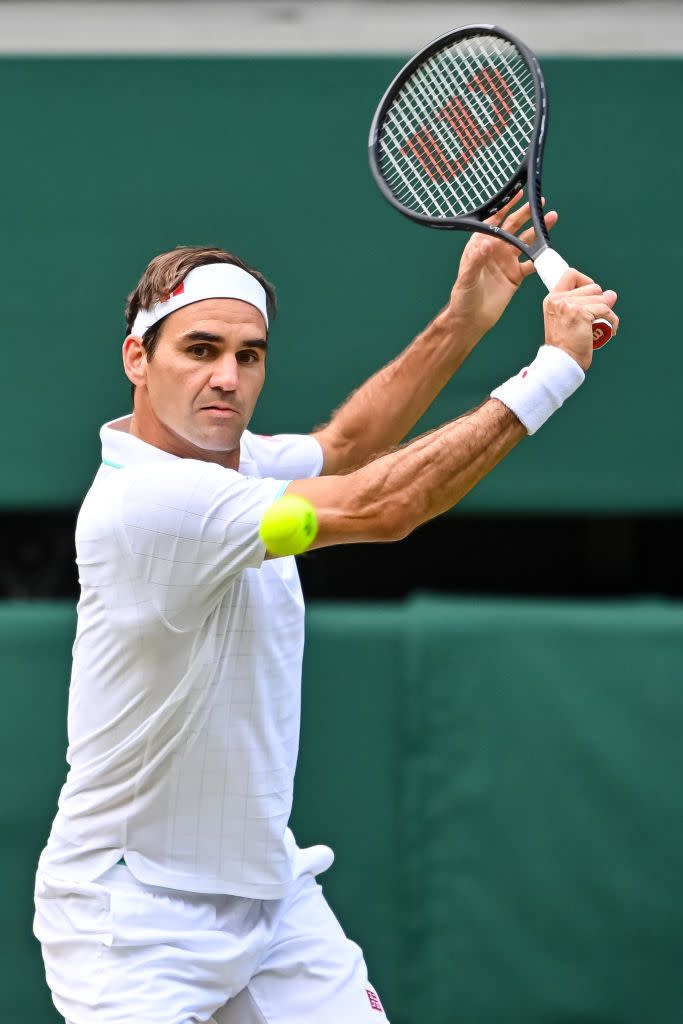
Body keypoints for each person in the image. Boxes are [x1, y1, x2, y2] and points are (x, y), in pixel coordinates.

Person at [33, 196, 618, 1024]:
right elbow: (383, 506)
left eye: (248, 355)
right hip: (132, 922)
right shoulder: (151, 504)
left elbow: (346, 447)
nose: (227, 379)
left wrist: (464, 318)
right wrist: (552, 369)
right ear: (138, 357)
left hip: (270, 901)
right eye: (200, 351)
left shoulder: (239, 468)